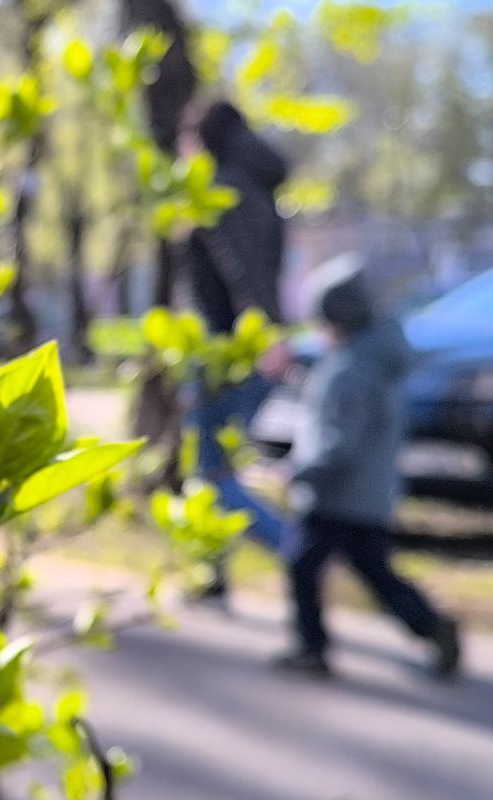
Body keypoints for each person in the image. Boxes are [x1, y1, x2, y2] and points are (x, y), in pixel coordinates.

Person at [275, 254, 461, 679]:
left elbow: (340, 441)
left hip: (336, 494)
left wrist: (299, 473)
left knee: (303, 564)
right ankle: (429, 624)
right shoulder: (377, 357)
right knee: (375, 571)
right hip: (371, 493)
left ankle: (312, 647)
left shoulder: (349, 370)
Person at [180, 99, 292, 595]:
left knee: (214, 476)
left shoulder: (227, 188)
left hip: (229, 355)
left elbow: (243, 267)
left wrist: (264, 333)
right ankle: (214, 575)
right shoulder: (256, 186)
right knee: (210, 472)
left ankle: (300, 551)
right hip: (235, 350)